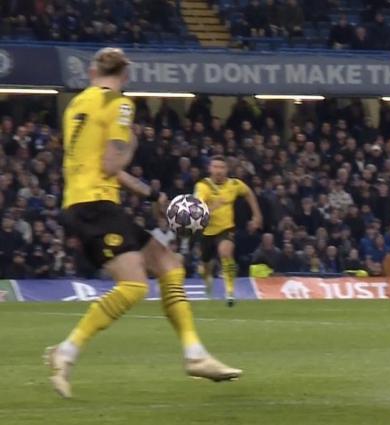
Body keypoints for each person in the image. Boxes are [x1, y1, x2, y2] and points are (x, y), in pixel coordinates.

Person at [45, 48, 242, 399]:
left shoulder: (76, 105)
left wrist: (151, 194)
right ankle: (67, 351)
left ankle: (195, 353)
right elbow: (111, 164)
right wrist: (132, 144)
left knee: (169, 263)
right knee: (134, 286)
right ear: (125, 75)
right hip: (95, 205)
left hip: (85, 201)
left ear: (92, 72)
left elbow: (100, 166)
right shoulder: (120, 104)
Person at [194, 155, 262, 307]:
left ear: (227, 169)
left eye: (222, 167)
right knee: (205, 267)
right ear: (210, 169)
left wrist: (257, 215)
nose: (218, 171)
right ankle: (207, 280)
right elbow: (197, 209)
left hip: (226, 229)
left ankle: (230, 292)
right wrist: (214, 206)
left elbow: (249, 193)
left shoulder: (234, 184)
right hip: (206, 231)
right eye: (215, 167)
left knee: (225, 253)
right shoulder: (203, 186)